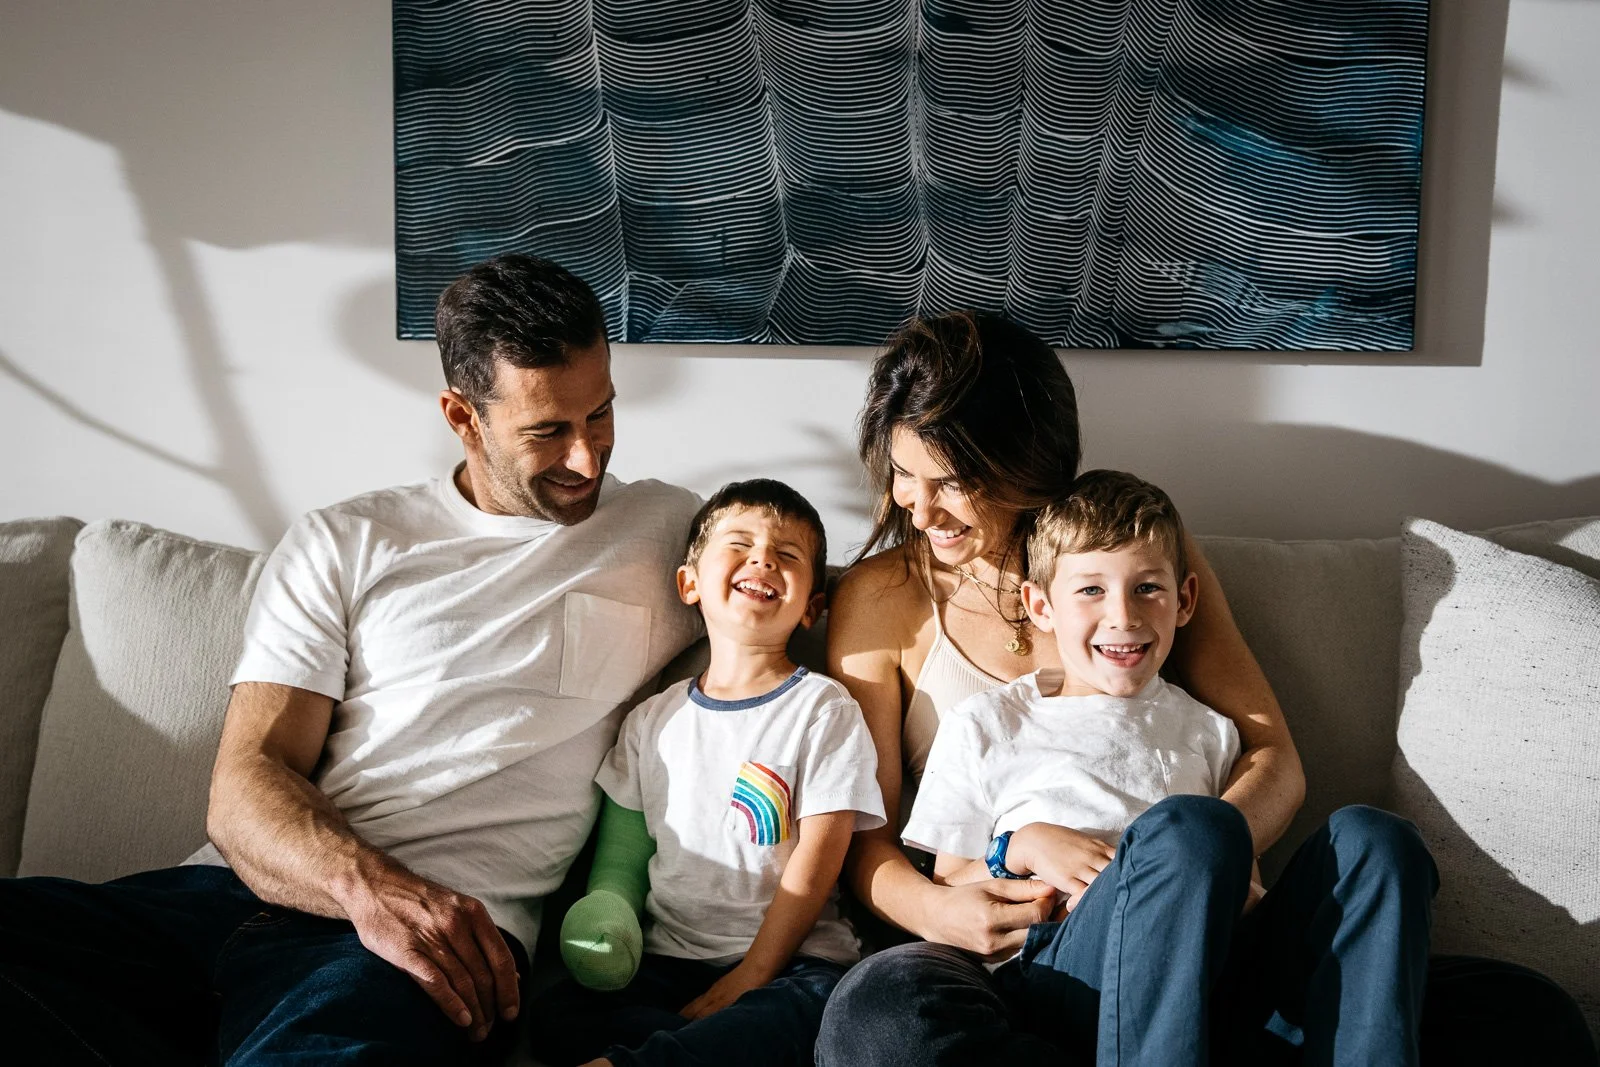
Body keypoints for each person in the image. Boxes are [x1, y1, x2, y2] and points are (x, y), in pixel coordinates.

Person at [815, 310, 1598, 1066]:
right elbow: (865, 836)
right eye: (903, 476)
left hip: (1202, 930)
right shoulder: (882, 598)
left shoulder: (1133, 555)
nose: (918, 509)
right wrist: (940, 908)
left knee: (1526, 1015)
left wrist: (1182, 870)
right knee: (883, 1021)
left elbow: (1271, 756)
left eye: (949, 482)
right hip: (1026, 946)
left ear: (1022, 461)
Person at [0, 254, 704, 1064]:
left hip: (438, 945)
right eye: (548, 431)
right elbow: (244, 787)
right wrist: (371, 890)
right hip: (222, 899)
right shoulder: (347, 540)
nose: (587, 458)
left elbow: (832, 586)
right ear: (461, 416)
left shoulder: (667, 531)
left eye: (602, 414)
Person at [904, 467, 1438, 1064]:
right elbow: (949, 887)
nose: (1123, 616)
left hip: (1219, 971)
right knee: (1195, 827)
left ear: (1184, 600)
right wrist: (1019, 845)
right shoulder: (987, 723)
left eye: (1147, 589)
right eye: (1090, 590)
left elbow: (1247, 881)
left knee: (1376, 838)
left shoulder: (1209, 729)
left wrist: (1229, 884)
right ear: (1039, 605)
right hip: (1070, 967)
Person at [529, 479, 885, 1067]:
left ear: (811, 609)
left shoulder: (823, 707)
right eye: (740, 543)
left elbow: (820, 858)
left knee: (807, 1010)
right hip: (670, 963)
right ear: (689, 583)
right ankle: (695, 1048)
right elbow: (624, 854)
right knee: (556, 1015)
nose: (764, 558)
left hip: (794, 962)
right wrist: (610, 916)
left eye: (787, 555)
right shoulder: (651, 720)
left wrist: (753, 973)